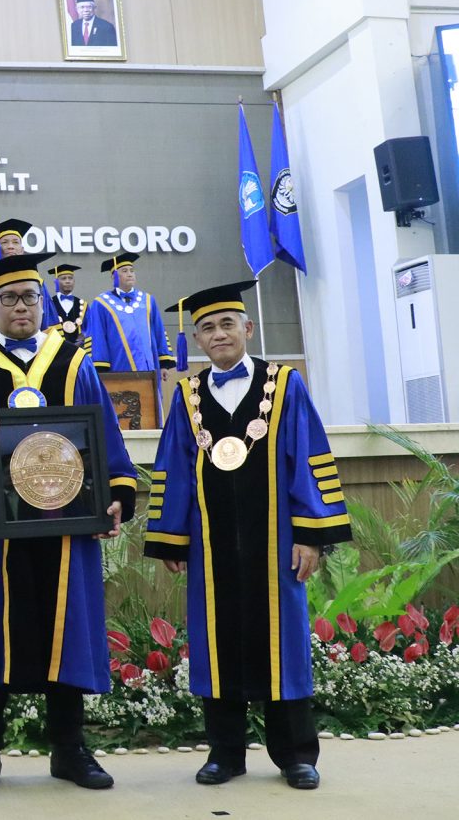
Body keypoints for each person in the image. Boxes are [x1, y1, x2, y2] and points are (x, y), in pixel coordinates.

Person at [0, 253, 138, 797]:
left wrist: (116, 495)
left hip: (67, 526)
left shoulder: (73, 360)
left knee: (69, 628)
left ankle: (70, 749)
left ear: (42, 302)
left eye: (29, 297)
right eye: (9, 298)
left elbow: (104, 434)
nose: (21, 306)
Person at [144, 281, 351, 791]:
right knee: (218, 644)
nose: (218, 334)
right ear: (197, 337)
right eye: (207, 328)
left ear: (248, 328)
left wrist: (310, 535)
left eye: (227, 324)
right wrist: (171, 536)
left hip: (277, 544)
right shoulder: (187, 395)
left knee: (284, 645)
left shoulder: (285, 384)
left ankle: (296, 755)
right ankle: (225, 754)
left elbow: (309, 458)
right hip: (211, 547)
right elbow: (172, 465)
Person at [81, 254, 175, 382]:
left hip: (149, 368)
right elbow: (98, 337)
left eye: (132, 271)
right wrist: (101, 370)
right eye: (124, 271)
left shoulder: (147, 300)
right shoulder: (101, 303)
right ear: (114, 276)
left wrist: (164, 364)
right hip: (118, 368)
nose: (130, 274)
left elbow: (158, 332)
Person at [45, 264, 85, 347]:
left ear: (74, 281)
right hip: (56, 349)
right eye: (63, 278)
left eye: (70, 278)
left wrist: (82, 340)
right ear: (56, 281)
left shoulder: (83, 305)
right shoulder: (49, 304)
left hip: (79, 351)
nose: (68, 281)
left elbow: (89, 329)